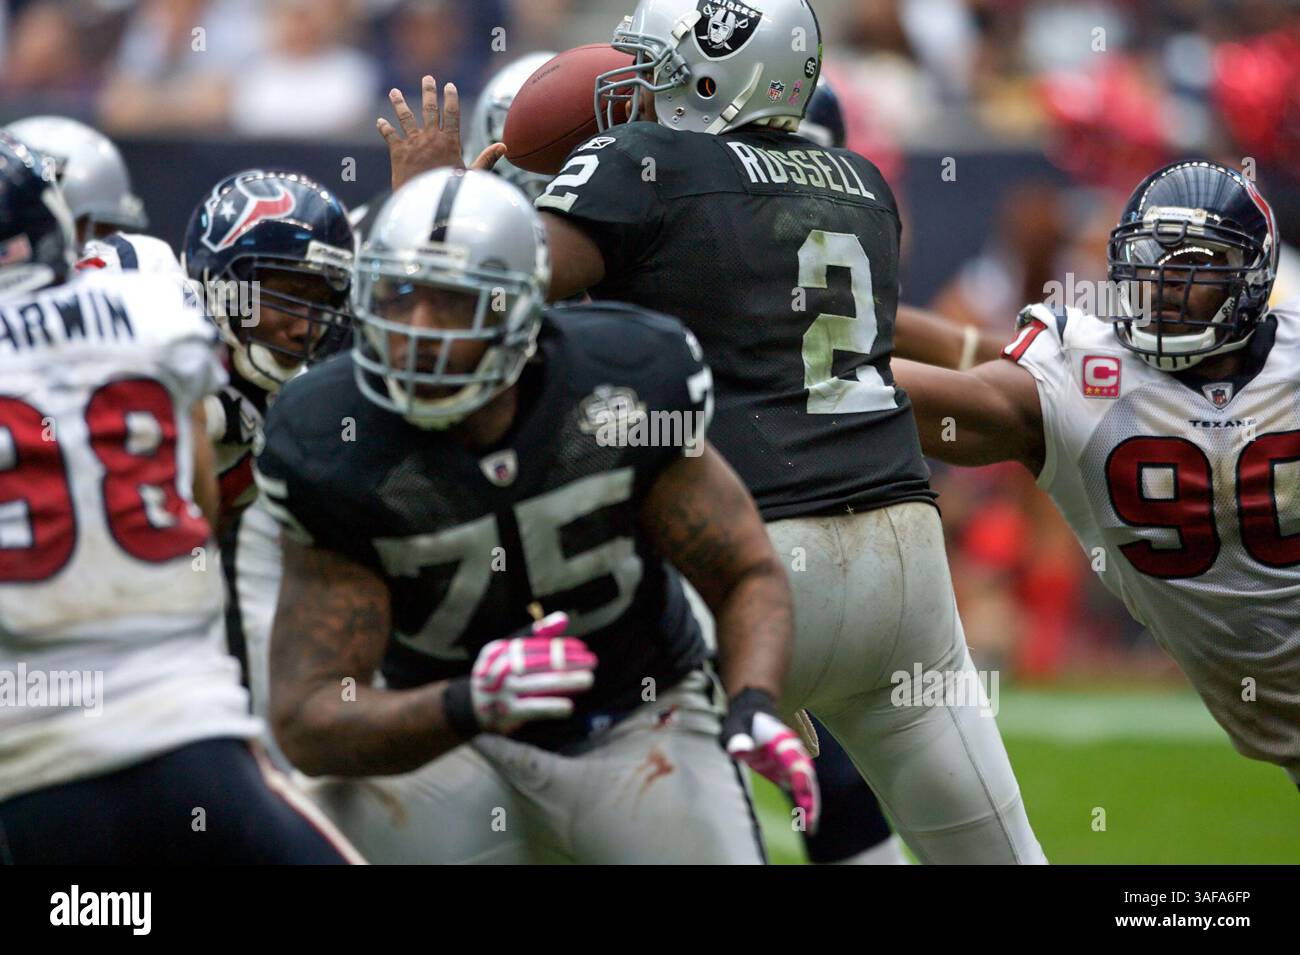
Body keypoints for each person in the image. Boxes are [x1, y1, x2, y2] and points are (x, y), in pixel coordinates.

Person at [375, 0, 1044, 863]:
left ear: (711, 75)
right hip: (902, 562)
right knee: (1000, 853)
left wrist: (443, 199)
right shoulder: (860, 184)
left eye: (655, 66)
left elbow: (491, 295)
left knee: (567, 796)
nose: (633, 87)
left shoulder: (646, 158)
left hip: (743, 566)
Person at [255, 167, 817, 863]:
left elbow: (744, 572)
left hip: (638, 717)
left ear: (520, 309)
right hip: (441, 742)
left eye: (453, 303)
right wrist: (467, 702)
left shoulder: (624, 382)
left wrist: (754, 697)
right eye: (398, 295)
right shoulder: (330, 436)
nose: (417, 332)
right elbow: (307, 714)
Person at [0, 132, 360, 863]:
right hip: (182, 713)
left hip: (35, 749)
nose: (300, 322)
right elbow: (195, 497)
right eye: (284, 294)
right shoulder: (152, 309)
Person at [894, 160, 1300, 786]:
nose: (1163, 280)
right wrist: (808, 343)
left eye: (1192, 259)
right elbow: (961, 391)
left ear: (1251, 277)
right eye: (1150, 256)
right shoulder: (1086, 364)